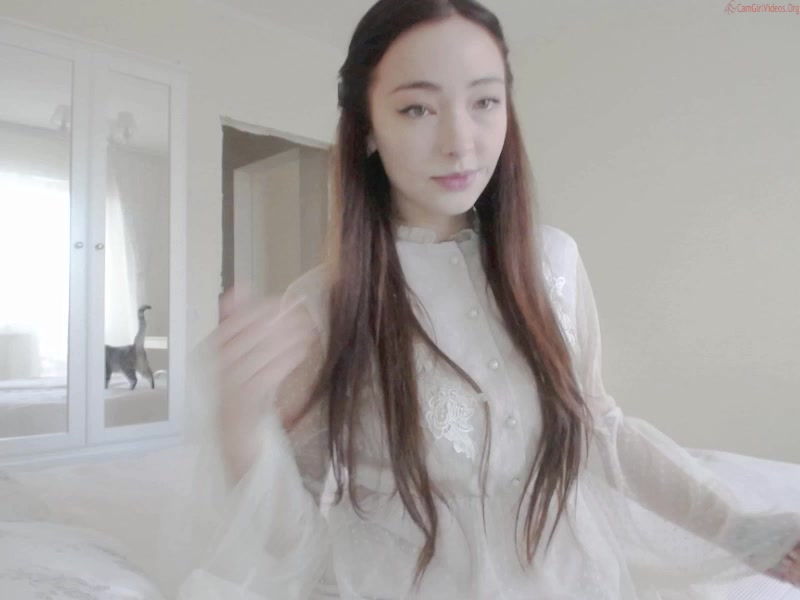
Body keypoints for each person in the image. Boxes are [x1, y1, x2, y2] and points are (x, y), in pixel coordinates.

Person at [166, 0, 800, 598]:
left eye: (485, 102)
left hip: (566, 577)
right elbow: (297, 536)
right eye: (418, 108)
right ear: (368, 129)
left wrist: (743, 530)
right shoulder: (325, 305)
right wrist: (241, 427)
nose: (461, 142)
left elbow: (598, 430)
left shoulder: (555, 262)